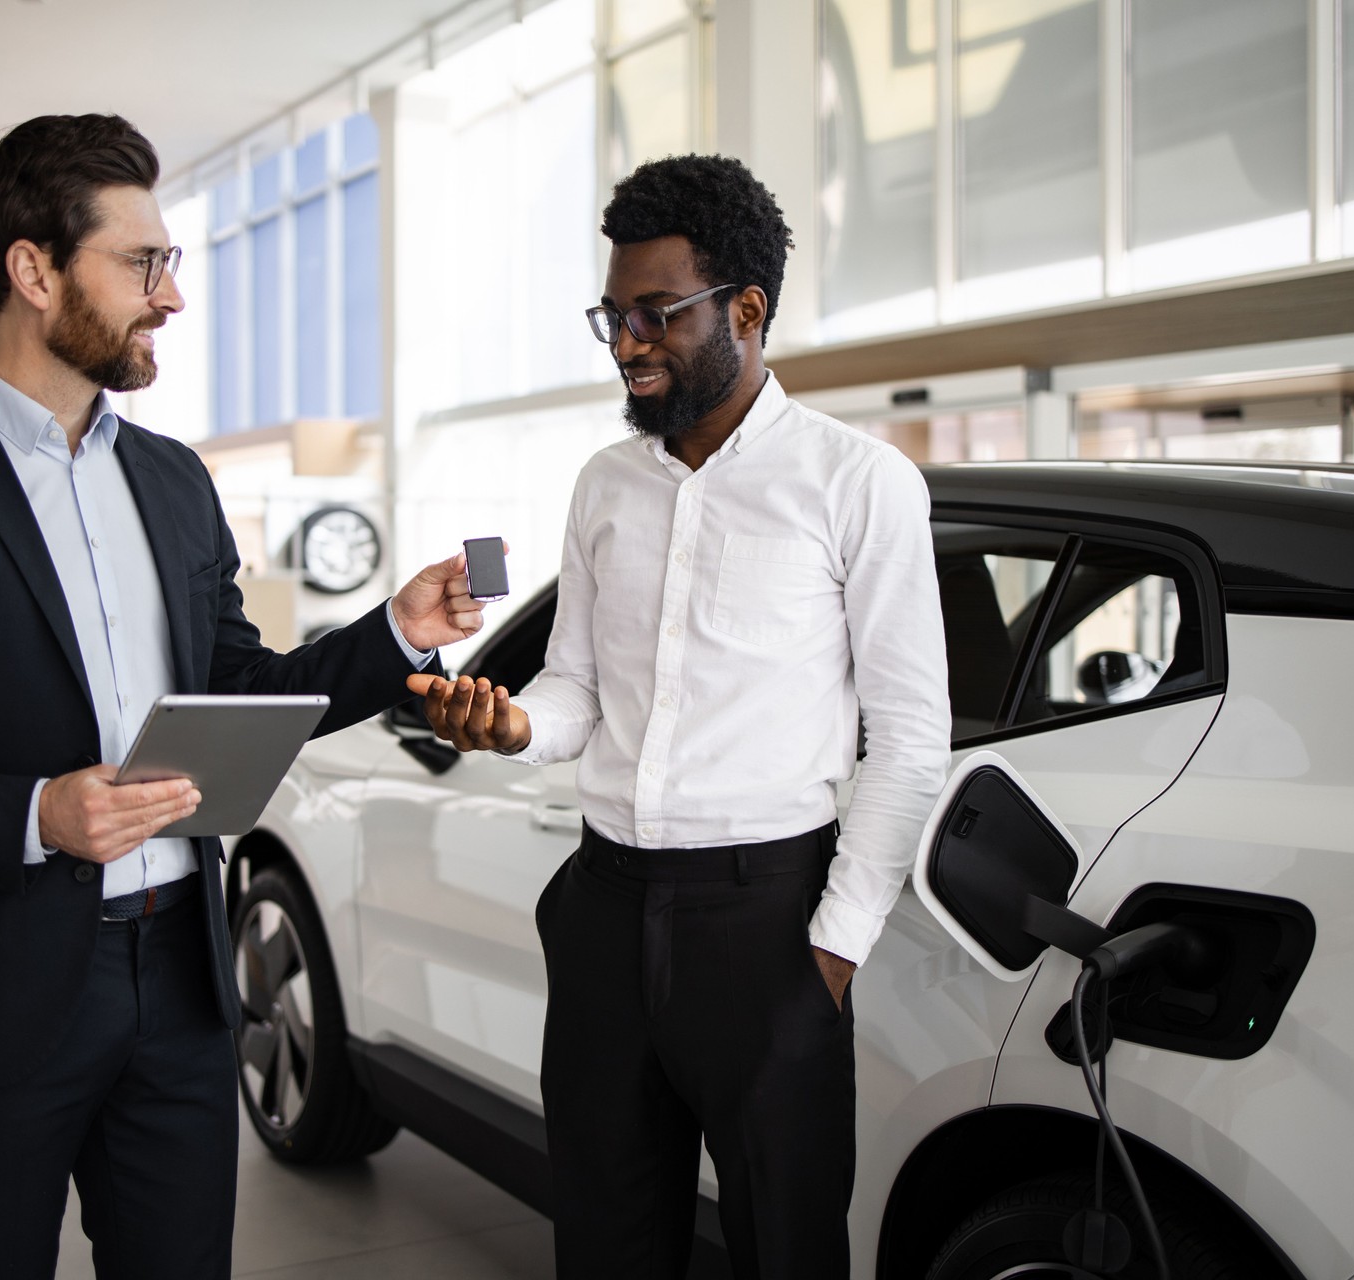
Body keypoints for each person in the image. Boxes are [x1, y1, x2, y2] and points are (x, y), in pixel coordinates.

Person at [0, 114, 485, 1280]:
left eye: (172, 262)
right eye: (143, 263)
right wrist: (33, 812)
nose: (172, 296)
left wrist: (397, 632)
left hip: (182, 986)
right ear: (34, 271)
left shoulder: (172, 477)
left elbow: (241, 689)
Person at [407, 154, 951, 1277]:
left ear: (746, 310)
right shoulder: (606, 483)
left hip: (767, 930)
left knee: (784, 1252)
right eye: (613, 314)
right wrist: (512, 726)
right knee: (606, 1246)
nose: (627, 342)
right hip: (605, 913)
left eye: (657, 313)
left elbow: (909, 739)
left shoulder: (860, 483)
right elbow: (578, 690)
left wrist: (831, 954)